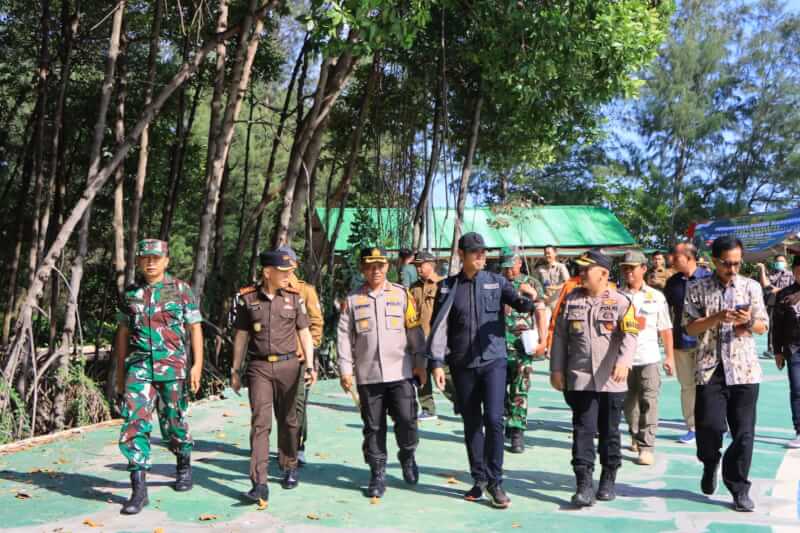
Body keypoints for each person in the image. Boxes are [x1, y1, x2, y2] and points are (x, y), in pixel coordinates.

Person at [427, 232, 537, 509]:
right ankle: (479, 480)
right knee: (472, 422)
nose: (480, 256)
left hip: (493, 362)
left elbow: (517, 301)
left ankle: (496, 481)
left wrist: (529, 301)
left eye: (483, 252)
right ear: (461, 255)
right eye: (475, 252)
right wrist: (437, 363)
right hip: (462, 365)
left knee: (495, 419)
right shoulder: (447, 287)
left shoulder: (496, 282)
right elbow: (439, 327)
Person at [115, 239, 204, 515]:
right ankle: (138, 488)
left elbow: (195, 327)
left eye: (156, 258)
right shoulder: (130, 294)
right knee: (134, 423)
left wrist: (197, 365)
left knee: (174, 421)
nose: (150, 262)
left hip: (172, 368)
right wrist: (120, 373)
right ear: (139, 262)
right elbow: (122, 334)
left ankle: (183, 463)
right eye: (145, 258)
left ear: (166, 260)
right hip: (139, 368)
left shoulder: (180, 290)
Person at [683, 235, 768, 512]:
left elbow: (762, 326)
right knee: (709, 427)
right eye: (726, 264)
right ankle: (710, 462)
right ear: (714, 261)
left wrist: (749, 320)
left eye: (736, 263)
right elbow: (689, 328)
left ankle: (739, 487)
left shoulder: (751, 287)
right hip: (710, 370)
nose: (732, 269)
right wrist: (717, 318)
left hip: (744, 370)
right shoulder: (697, 288)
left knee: (744, 434)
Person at [550, 249, 639, 507]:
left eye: (586, 269)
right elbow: (559, 337)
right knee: (582, 430)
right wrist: (556, 369)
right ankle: (583, 484)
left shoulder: (621, 302)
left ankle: (608, 477)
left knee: (610, 432)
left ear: (603, 273)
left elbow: (630, 335)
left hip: (612, 381)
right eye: (580, 268)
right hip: (581, 379)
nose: (581, 273)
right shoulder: (571, 300)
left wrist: (624, 362)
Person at [337, 247, 428, 498]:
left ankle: (407, 456)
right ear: (363, 269)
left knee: (407, 421)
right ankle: (377, 473)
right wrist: (346, 370)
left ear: (387, 267)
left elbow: (415, 331)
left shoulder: (401, 295)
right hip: (369, 376)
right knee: (373, 427)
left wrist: (420, 363)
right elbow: (344, 337)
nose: (375, 271)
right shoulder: (353, 300)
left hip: (400, 372)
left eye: (379, 266)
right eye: (369, 266)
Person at [231, 250, 317, 503]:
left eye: (290, 272)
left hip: (290, 365)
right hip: (259, 368)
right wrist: (235, 370)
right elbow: (241, 337)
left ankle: (289, 465)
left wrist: (310, 365)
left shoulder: (294, 298)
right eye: (284, 272)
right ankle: (259, 482)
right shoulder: (247, 299)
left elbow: (304, 332)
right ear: (268, 272)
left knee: (290, 421)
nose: (289, 276)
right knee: (261, 423)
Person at [619, 250, 675, 466]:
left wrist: (669, 357)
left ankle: (646, 446)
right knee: (628, 403)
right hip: (623, 360)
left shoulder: (656, 296)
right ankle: (635, 434)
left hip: (649, 357)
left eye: (632, 268)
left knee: (649, 401)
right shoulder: (615, 296)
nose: (628, 273)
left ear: (643, 269)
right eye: (625, 268)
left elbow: (666, 329)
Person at [277, 246, 324, 466]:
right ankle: (285, 444)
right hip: (273, 359)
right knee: (278, 406)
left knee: (297, 405)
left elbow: (316, 323)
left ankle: (297, 445)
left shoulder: (305, 291)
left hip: (299, 359)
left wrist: (308, 350)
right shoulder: (269, 288)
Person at [499, 248, 548, 453]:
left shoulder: (531, 283)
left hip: (522, 346)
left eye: (511, 265)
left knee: (520, 388)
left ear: (519, 263)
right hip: (497, 346)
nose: (508, 270)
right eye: (505, 266)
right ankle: (508, 419)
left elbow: (540, 311)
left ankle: (517, 430)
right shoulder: (496, 283)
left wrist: (543, 340)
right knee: (498, 390)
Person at [664, 242, 712, 445]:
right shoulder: (672, 282)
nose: (671, 260)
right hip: (681, 341)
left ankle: (713, 423)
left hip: (707, 342)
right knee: (687, 385)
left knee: (709, 384)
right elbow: (666, 312)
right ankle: (692, 427)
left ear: (689, 257)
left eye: (675, 256)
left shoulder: (709, 279)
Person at [409, 250, 456, 420]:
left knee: (446, 375)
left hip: (438, 339)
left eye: (421, 265)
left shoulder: (442, 285)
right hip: (419, 339)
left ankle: (462, 404)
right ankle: (428, 408)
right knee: (420, 373)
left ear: (431, 265)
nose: (418, 269)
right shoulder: (413, 288)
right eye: (416, 266)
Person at [768, 255, 800, 448]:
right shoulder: (784, 294)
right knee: (797, 389)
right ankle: (799, 430)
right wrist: (778, 351)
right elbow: (776, 325)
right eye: (798, 270)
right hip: (793, 349)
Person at [757, 255, 794, 358]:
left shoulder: (791, 274)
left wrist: (778, 290)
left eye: (781, 261)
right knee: (773, 327)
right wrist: (762, 270)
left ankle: (789, 348)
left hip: (788, 305)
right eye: (777, 261)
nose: (779, 263)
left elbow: (793, 288)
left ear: (786, 263)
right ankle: (771, 349)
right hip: (773, 304)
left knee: (789, 326)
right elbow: (765, 284)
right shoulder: (772, 274)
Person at [537, 245, 571, 309]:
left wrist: (555, 287)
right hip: (545, 303)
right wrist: (541, 294)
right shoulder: (540, 269)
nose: (547, 255)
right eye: (545, 253)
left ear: (555, 253)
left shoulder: (561, 267)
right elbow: (536, 284)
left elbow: (568, 282)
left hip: (559, 303)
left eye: (549, 253)